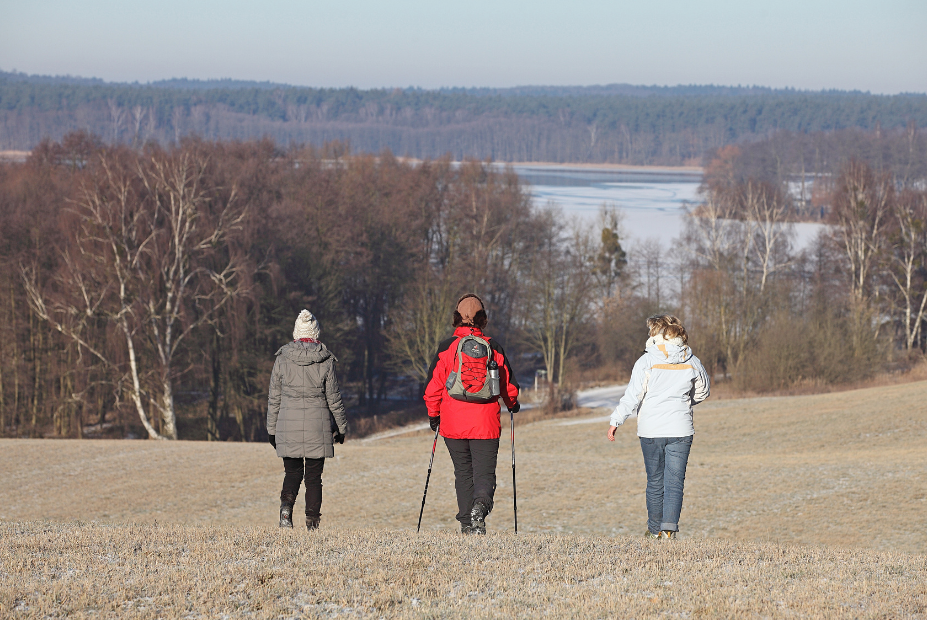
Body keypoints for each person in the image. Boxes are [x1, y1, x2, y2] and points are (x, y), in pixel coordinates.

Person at [423, 294, 520, 534]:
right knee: (485, 474)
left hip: (453, 423)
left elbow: (433, 387)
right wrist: (513, 404)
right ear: (482, 319)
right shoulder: (493, 346)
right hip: (485, 423)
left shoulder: (447, 347)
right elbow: (508, 384)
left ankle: (467, 525)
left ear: (457, 318)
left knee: (463, 473)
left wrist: (434, 415)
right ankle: (480, 508)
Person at [607, 315, 710, 540]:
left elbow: (633, 395)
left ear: (656, 334)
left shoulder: (646, 361)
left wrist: (616, 421)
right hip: (681, 429)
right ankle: (668, 530)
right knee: (674, 482)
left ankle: (654, 531)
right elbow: (703, 391)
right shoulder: (691, 360)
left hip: (651, 430)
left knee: (655, 480)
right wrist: (684, 403)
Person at [267, 309, 348, 531]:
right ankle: (312, 524)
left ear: (296, 332)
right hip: (317, 426)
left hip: (287, 425)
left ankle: (285, 512)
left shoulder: (282, 358)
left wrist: (271, 429)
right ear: (316, 333)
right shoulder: (326, 360)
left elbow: (274, 397)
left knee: (292, 472)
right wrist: (341, 427)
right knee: (313, 478)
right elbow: (334, 398)